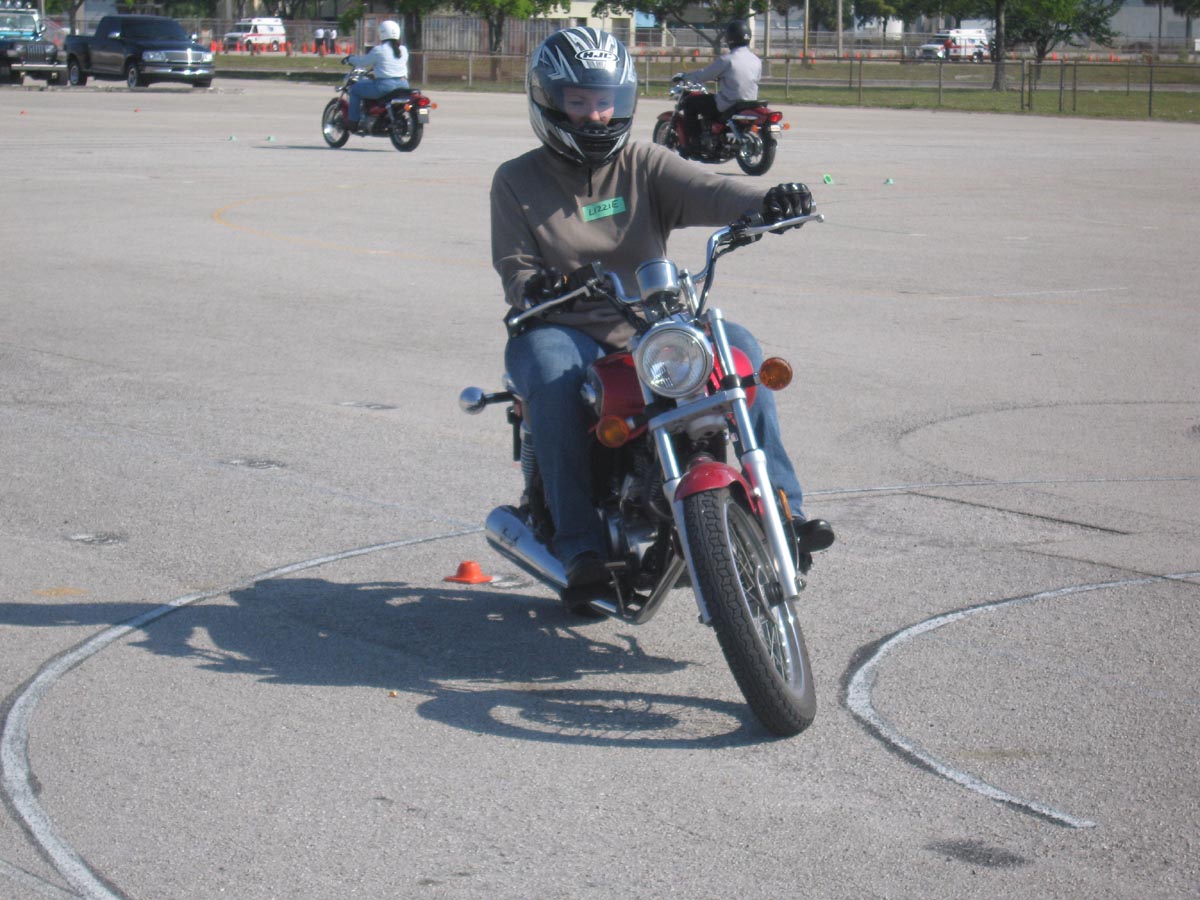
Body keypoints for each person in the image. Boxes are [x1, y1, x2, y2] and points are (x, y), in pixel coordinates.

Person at [490, 26, 834, 595]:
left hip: (650, 321)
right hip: (561, 323)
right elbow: (515, 269)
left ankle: (783, 511)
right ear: (549, 101)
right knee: (553, 379)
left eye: (606, 101)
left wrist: (769, 201)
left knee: (741, 351)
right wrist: (539, 284)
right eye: (579, 101)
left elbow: (713, 191)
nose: (596, 115)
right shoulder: (516, 180)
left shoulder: (644, 162)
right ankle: (579, 545)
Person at [677, 20, 761, 152]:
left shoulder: (727, 59)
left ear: (730, 38)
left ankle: (693, 143)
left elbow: (704, 74)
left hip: (728, 104)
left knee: (689, 102)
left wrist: (686, 77)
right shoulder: (756, 60)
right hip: (750, 102)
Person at [343, 20, 409, 133]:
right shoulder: (403, 49)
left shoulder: (379, 50)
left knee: (354, 89)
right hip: (403, 85)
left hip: (385, 86)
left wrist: (350, 59)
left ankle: (353, 122)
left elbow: (362, 62)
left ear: (381, 33)